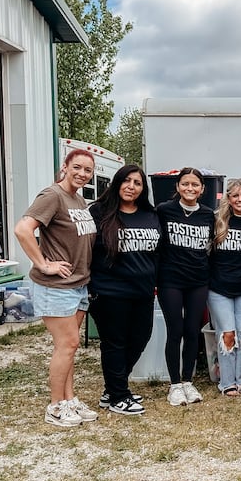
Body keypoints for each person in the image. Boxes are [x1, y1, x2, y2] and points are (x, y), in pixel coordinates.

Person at [14, 149, 99, 427]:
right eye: (77, 167)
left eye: (88, 170)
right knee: (68, 344)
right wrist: (43, 264)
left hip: (78, 284)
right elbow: (23, 229)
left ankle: (69, 400)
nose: (82, 174)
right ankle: (54, 406)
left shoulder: (78, 199)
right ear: (65, 167)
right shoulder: (52, 195)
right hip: (56, 286)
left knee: (68, 347)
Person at [88, 164, 161, 416]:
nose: (131, 186)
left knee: (140, 338)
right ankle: (119, 395)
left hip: (143, 292)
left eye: (137, 183)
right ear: (117, 183)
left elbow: (157, 253)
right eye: (127, 181)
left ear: (143, 188)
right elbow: (83, 247)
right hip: (110, 293)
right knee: (114, 344)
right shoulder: (99, 212)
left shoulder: (150, 215)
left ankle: (113, 388)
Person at [156, 167, 215, 406]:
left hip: (198, 281)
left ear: (202, 189)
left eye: (195, 185)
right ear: (178, 187)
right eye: (185, 184)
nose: (190, 188)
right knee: (175, 331)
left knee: (192, 331)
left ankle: (188, 381)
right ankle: (175, 385)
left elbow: (211, 246)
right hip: (170, 280)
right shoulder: (164, 210)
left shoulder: (208, 214)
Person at [208, 179, 241, 397]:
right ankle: (227, 382)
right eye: (235, 196)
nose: (240, 199)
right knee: (227, 334)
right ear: (228, 199)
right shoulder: (218, 221)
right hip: (219, 288)